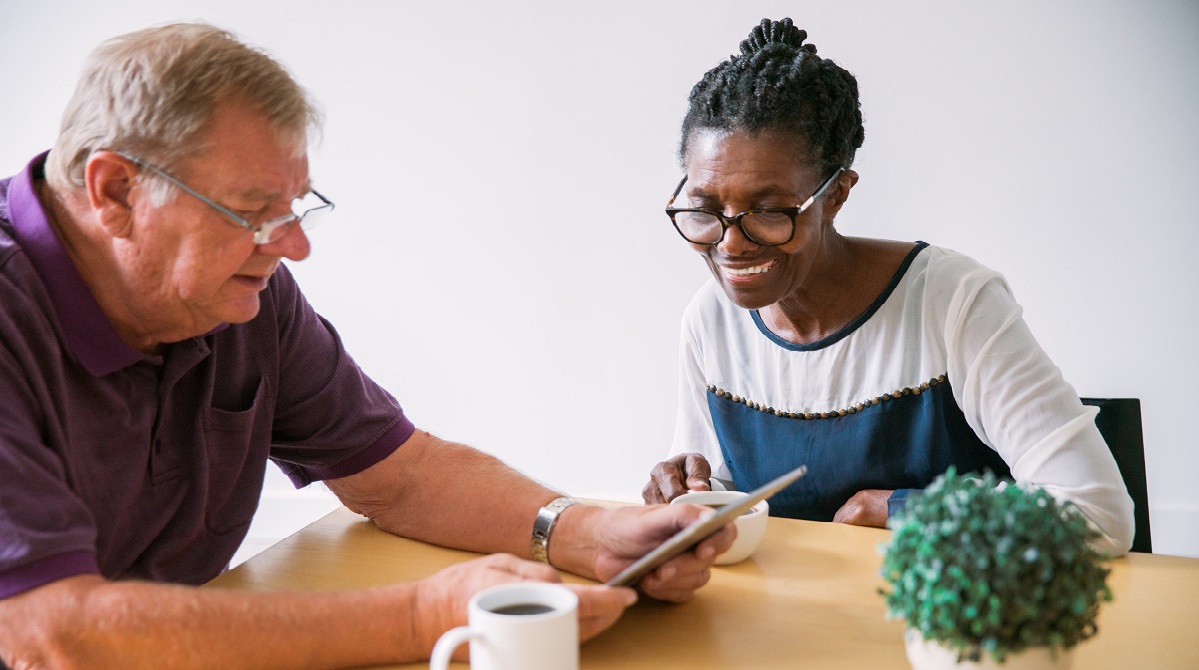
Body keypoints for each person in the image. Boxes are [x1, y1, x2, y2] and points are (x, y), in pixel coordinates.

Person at [0, 23, 735, 669]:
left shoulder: (233, 290)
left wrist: (590, 531)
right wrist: (425, 616)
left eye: (294, 209)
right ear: (116, 191)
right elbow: (50, 634)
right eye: (253, 213)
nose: (290, 248)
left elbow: (399, 475)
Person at [641, 18, 1135, 556]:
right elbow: (723, 498)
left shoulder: (952, 302)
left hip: (951, 626)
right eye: (706, 210)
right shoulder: (711, 320)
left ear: (837, 195)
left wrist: (905, 508)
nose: (731, 245)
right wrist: (688, 492)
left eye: (766, 211)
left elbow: (1096, 515)